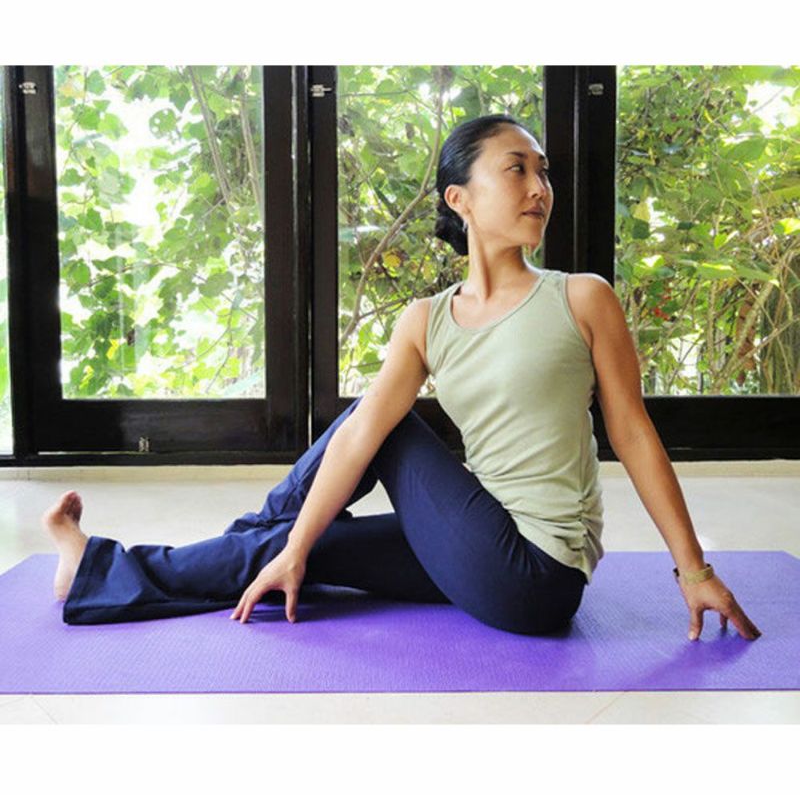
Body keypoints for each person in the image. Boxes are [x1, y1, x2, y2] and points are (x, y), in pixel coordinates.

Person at [43, 114, 761, 642]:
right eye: (517, 169)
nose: (539, 188)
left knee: (380, 422)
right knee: (301, 548)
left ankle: (264, 526)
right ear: (459, 198)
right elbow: (358, 441)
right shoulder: (427, 319)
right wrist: (297, 545)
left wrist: (694, 571)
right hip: (474, 543)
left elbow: (632, 433)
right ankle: (98, 570)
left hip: (538, 574)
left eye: (542, 173)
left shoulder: (581, 297)